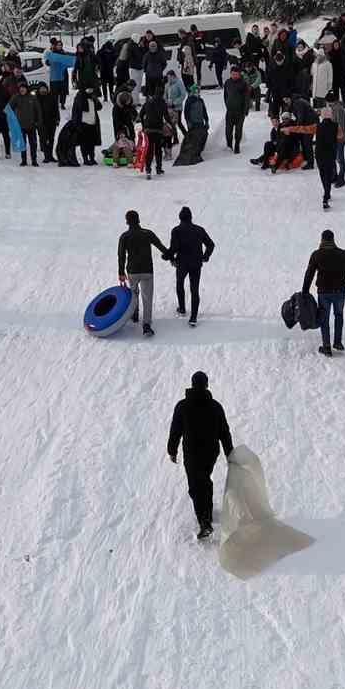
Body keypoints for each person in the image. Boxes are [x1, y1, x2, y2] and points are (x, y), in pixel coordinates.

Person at [166, 370, 233, 540]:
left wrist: (172, 450)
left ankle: (204, 520)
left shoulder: (182, 406)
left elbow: (175, 430)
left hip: (192, 453)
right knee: (203, 480)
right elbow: (224, 431)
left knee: (195, 485)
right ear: (207, 385)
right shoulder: (215, 406)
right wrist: (229, 453)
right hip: (210, 453)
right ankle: (206, 517)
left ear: (192, 384)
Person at [302, 229, 345, 357]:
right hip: (340, 292)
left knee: (324, 318)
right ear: (333, 239)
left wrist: (305, 291)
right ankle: (337, 342)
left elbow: (309, 274)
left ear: (322, 240)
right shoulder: (343, 254)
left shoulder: (317, 254)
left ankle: (326, 347)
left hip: (324, 292)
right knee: (339, 315)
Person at [117, 210, 169, 337]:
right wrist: (171, 257)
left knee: (133, 294)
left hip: (132, 271)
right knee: (147, 298)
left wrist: (121, 272)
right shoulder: (148, 233)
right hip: (147, 271)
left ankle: (134, 315)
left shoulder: (124, 236)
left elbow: (121, 255)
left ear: (127, 222)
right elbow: (161, 247)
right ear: (139, 220)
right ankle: (146, 325)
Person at [166, 206, 214, 325]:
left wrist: (170, 257)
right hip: (196, 263)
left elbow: (174, 247)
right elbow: (211, 245)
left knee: (179, 284)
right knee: (194, 289)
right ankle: (193, 318)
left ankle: (182, 308)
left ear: (180, 218)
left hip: (182, 263)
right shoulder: (199, 230)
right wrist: (205, 257)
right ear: (191, 217)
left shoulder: (176, 230)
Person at [139, 90, 169, 179]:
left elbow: (141, 114)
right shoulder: (163, 103)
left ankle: (148, 170)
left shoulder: (148, 102)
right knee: (158, 150)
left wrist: (144, 125)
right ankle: (159, 168)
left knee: (149, 150)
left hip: (148, 130)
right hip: (158, 130)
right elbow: (166, 116)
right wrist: (171, 126)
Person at [10, 82, 40, 166]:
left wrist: (38, 122)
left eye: (23, 88)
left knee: (33, 144)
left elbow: (38, 110)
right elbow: (9, 108)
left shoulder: (33, 97)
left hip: (31, 125)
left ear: (27, 89)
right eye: (20, 88)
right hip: (20, 126)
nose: (22, 89)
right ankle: (24, 160)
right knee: (22, 144)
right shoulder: (16, 97)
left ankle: (34, 160)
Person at [221, 65, 248, 154]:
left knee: (238, 129)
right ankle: (229, 145)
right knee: (228, 129)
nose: (234, 76)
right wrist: (227, 105)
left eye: (236, 74)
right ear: (230, 74)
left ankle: (237, 145)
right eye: (233, 74)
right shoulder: (227, 83)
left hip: (240, 111)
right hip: (230, 111)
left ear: (239, 74)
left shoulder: (243, 83)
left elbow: (246, 98)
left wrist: (245, 110)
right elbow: (225, 96)